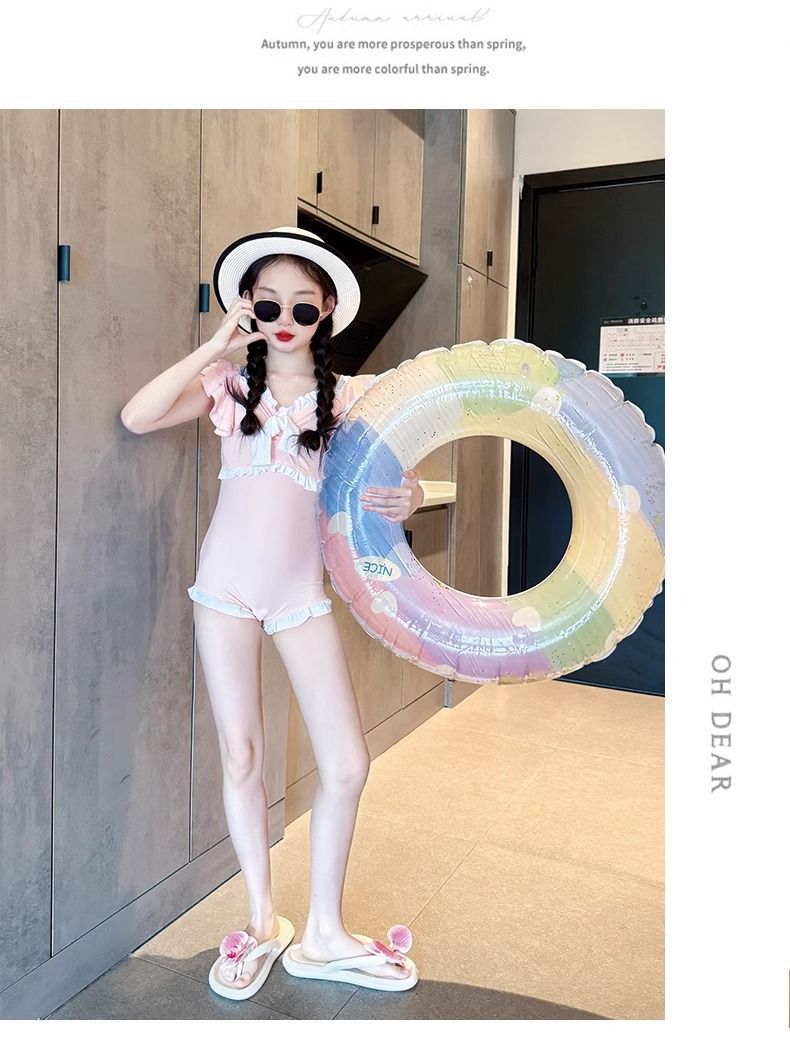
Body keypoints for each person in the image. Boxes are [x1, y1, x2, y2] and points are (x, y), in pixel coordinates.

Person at [120, 227, 422, 999]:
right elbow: (138, 416)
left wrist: (411, 495)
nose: (285, 320)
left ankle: (323, 932)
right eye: (268, 305)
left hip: (299, 595)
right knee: (242, 756)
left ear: (327, 312)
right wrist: (216, 343)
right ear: (248, 308)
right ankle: (261, 920)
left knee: (347, 763)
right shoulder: (227, 385)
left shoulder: (349, 399)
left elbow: (402, 470)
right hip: (223, 590)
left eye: (302, 307)